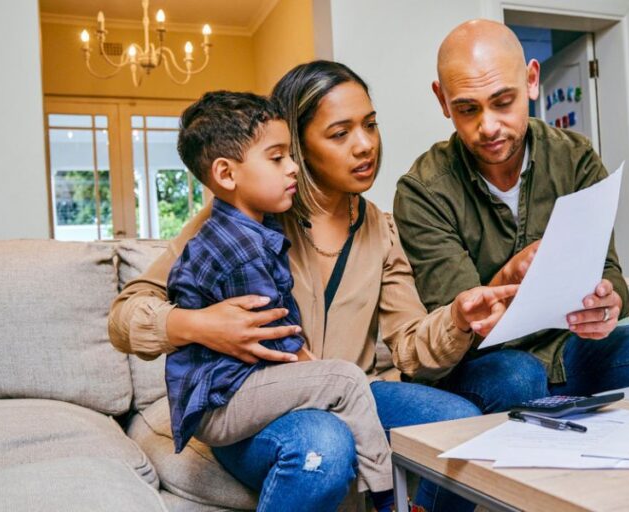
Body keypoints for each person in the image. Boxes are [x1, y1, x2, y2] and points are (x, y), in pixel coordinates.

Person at [108, 61, 516, 512]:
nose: (365, 146)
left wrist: (458, 320)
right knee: (325, 444)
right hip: (259, 406)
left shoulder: (380, 228)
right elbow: (125, 317)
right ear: (298, 147)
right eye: (340, 133)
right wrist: (199, 324)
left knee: (458, 424)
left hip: (352, 391)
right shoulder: (243, 217)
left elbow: (410, 348)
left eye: (370, 125)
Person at [392, 19, 629, 414]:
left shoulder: (574, 157)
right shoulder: (423, 190)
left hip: (571, 348)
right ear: (442, 100)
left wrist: (607, 302)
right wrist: (509, 275)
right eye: (468, 109)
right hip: (489, 363)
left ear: (532, 81)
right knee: (517, 376)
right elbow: (459, 324)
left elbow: (608, 269)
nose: (489, 127)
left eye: (503, 102)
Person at [163, 91, 394, 509]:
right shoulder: (238, 248)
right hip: (226, 401)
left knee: (337, 384)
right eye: (277, 158)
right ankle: (383, 494)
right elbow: (276, 337)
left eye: (291, 154)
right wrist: (315, 368)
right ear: (226, 174)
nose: (292, 167)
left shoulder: (243, 229)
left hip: (231, 390)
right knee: (343, 381)